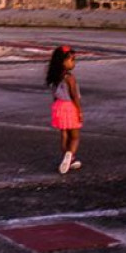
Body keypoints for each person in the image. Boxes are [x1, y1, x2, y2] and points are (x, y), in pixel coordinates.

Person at [45, 45, 83, 174]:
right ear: (63, 62)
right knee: (75, 137)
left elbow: (54, 95)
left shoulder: (54, 77)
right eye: (72, 60)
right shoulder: (69, 78)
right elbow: (74, 96)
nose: (74, 63)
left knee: (64, 134)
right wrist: (79, 111)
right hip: (69, 107)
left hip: (58, 107)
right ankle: (69, 154)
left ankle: (68, 160)